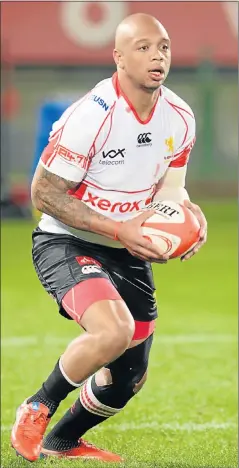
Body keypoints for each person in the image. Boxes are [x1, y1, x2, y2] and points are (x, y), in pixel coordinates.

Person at [11, 12, 207, 463]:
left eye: (164, 46)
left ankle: (62, 441)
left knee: (128, 379)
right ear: (118, 57)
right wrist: (121, 228)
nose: (157, 55)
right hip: (66, 242)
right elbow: (43, 194)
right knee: (113, 330)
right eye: (143, 47)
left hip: (127, 247)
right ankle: (36, 407)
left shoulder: (180, 115)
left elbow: (172, 189)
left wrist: (188, 221)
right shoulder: (91, 116)